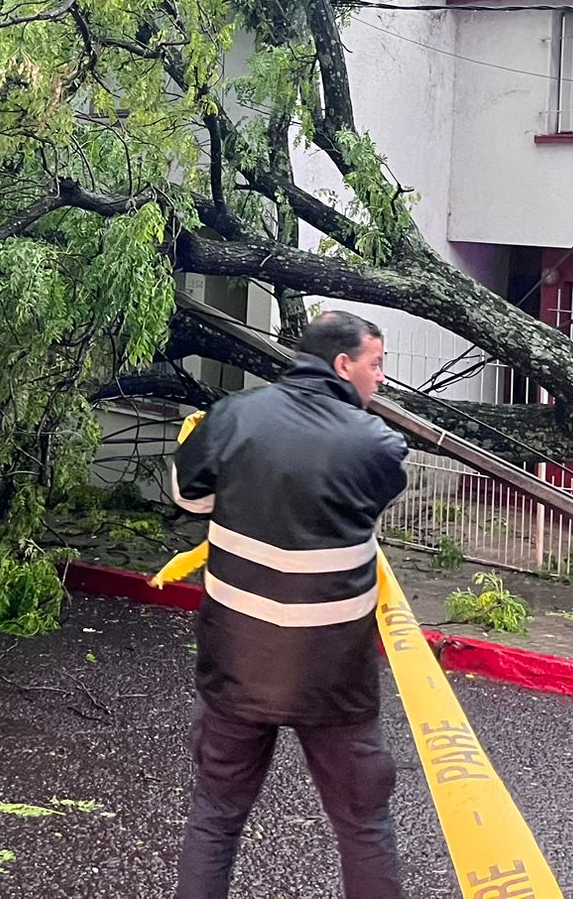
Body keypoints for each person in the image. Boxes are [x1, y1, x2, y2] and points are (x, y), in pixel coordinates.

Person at [168, 309, 410, 899]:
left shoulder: (232, 416)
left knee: (216, 818)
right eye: (375, 365)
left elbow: (187, 497)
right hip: (334, 678)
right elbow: (366, 500)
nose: (380, 380)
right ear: (343, 364)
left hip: (235, 668)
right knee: (363, 825)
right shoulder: (377, 444)